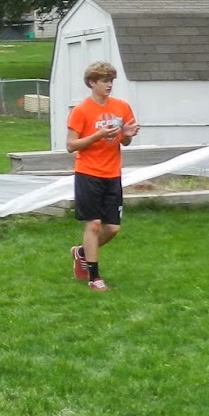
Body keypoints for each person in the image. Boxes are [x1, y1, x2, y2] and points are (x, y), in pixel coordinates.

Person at [66, 61, 138, 291]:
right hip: (88, 172)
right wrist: (98, 135)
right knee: (94, 224)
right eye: (104, 81)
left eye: (111, 81)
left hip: (112, 173)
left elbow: (124, 141)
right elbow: (70, 145)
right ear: (92, 83)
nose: (109, 85)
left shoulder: (122, 107)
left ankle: (80, 252)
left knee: (113, 228)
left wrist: (126, 135)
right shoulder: (81, 111)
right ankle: (94, 277)